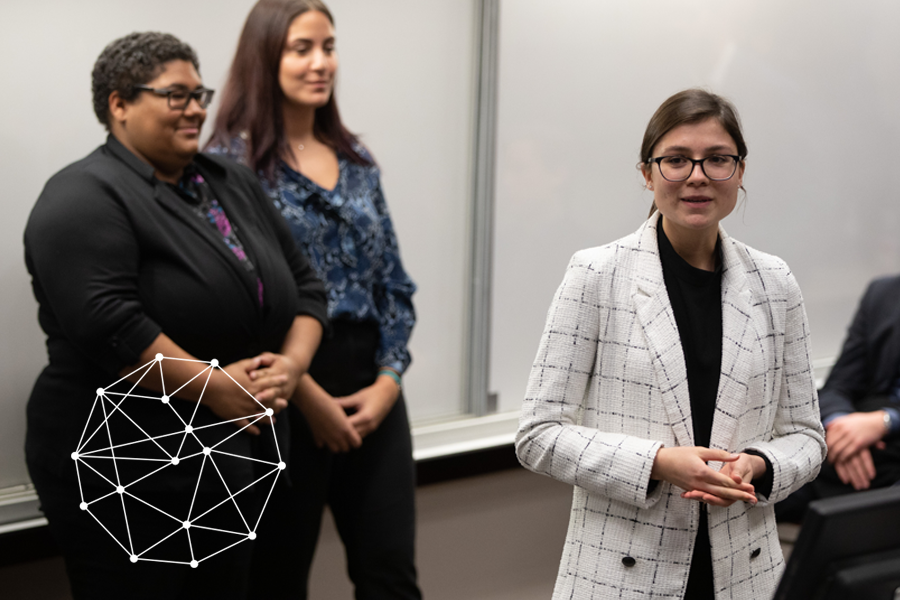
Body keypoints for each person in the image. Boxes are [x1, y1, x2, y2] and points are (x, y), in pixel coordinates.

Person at [24, 32, 328, 600]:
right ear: (119, 104)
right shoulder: (82, 195)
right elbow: (110, 322)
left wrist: (291, 367)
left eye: (200, 94)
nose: (195, 109)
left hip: (247, 448)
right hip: (132, 461)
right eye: (175, 95)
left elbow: (306, 286)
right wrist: (216, 389)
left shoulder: (228, 180)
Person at [515, 89, 826, 600]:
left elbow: (807, 438)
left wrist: (759, 465)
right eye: (677, 160)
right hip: (621, 573)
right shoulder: (596, 274)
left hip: (744, 572)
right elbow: (538, 434)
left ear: (740, 171)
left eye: (717, 160)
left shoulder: (775, 282)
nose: (697, 176)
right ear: (647, 173)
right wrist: (657, 462)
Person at [206, 1, 420, 598]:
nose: (321, 62)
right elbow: (236, 306)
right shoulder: (227, 167)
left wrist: (389, 381)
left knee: (391, 574)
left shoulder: (356, 161)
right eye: (302, 48)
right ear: (265, 55)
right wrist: (307, 395)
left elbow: (394, 288)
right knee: (276, 580)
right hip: (279, 394)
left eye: (328, 46)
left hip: (372, 385)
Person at [776, 275, 900, 522]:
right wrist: (841, 426)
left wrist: (885, 421)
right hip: (865, 438)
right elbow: (839, 385)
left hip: (885, 437)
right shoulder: (883, 294)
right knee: (772, 482)